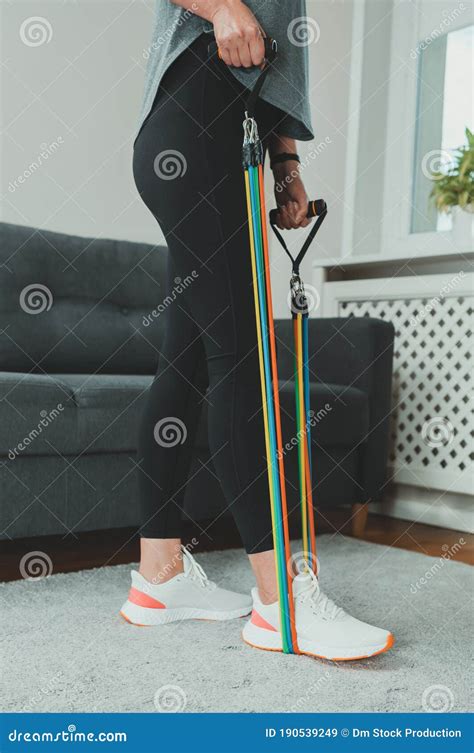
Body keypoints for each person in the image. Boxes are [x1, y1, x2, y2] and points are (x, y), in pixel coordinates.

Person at [121, 0, 393, 660]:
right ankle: (281, 603)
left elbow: (273, 66)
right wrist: (220, 6)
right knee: (240, 355)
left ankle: (158, 577)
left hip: (221, 128)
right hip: (195, 120)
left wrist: (288, 164)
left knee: (187, 357)